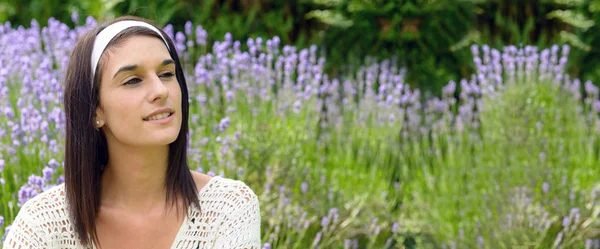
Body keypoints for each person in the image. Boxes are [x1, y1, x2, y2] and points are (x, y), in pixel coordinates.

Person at [3, 16, 261, 249]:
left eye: (167, 73)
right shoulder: (43, 226)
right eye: (133, 80)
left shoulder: (228, 209)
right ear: (95, 111)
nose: (161, 90)